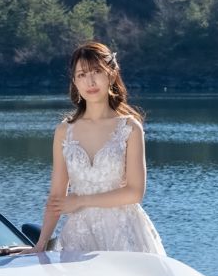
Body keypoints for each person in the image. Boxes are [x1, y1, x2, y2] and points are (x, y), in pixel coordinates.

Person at [33, 42, 165, 255]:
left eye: (97, 72)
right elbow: (57, 196)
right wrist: (40, 246)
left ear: (111, 75)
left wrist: (80, 200)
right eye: (82, 75)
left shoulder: (130, 128)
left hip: (123, 233)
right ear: (74, 81)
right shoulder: (63, 132)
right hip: (79, 236)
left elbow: (135, 192)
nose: (90, 81)